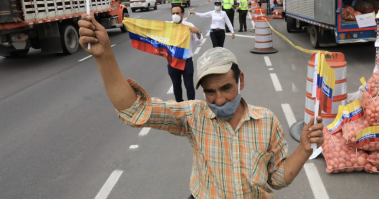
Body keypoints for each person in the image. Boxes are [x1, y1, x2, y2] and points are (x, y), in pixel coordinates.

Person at [76, 20, 325, 199]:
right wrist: (104, 56)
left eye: (226, 88)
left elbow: (276, 180)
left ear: (241, 81)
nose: (218, 100)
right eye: (209, 92)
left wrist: (303, 149)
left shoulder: (266, 121)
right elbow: (136, 110)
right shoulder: (194, 116)